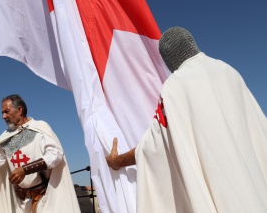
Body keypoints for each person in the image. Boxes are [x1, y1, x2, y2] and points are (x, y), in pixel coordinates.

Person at [106, 27, 267, 212]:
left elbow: (154, 147)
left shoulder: (175, 86)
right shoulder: (228, 71)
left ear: (167, 58)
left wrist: (117, 161)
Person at [0, 94, 81, 213]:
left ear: (19, 110)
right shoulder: (6, 136)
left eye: (6, 112)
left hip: (46, 198)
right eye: (2, 113)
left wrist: (25, 169)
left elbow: (55, 155)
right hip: (21, 203)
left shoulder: (40, 127)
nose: (3, 116)